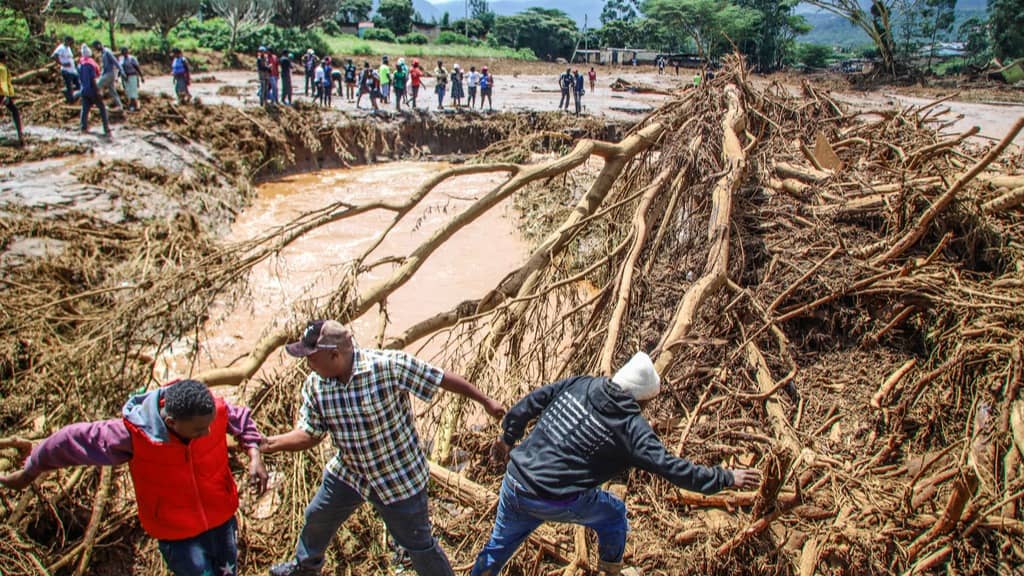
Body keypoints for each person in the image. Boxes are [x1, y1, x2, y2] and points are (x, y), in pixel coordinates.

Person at [470, 352, 762, 576]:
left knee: (497, 548)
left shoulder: (582, 384)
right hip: (553, 498)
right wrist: (725, 478)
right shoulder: (632, 428)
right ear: (642, 401)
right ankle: (610, 569)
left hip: (515, 483)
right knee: (613, 515)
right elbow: (673, 468)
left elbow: (533, 401)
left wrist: (507, 439)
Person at [264, 320, 505, 576]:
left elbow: (440, 378)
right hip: (351, 472)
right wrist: (270, 443)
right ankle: (305, 567)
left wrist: (486, 401)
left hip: (398, 478)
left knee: (419, 545)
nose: (308, 364)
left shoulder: (387, 366)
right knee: (317, 516)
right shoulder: (315, 385)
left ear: (334, 355)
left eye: (311, 357)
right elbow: (310, 434)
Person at [0, 379, 269, 576]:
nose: (209, 432)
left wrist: (254, 454)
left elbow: (239, 418)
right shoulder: (135, 437)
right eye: (199, 429)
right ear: (172, 422)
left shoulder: (210, 410)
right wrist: (29, 472)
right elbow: (68, 441)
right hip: (178, 534)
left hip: (221, 519)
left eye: (210, 424)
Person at [78, 44, 110, 136]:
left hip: (84, 90)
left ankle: (83, 127)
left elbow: (79, 77)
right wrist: (97, 90)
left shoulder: (81, 64)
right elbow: (93, 79)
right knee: (102, 108)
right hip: (92, 90)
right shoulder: (91, 64)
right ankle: (106, 128)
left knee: (85, 109)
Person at [0, 50, 24, 146]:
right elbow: (2, 83)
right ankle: (19, 134)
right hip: (2, 94)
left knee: (14, 110)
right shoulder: (2, 68)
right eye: (5, 58)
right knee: (15, 111)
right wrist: (5, 96)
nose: (6, 60)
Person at [93, 40, 124, 110]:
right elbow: (104, 66)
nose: (96, 49)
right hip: (107, 74)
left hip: (109, 74)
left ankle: (98, 104)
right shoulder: (103, 53)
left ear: (99, 45)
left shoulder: (107, 52)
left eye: (96, 47)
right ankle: (120, 106)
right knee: (112, 91)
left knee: (96, 87)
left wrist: (122, 71)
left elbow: (115, 61)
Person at [51, 35, 80, 103]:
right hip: (66, 71)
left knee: (79, 85)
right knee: (70, 87)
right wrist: (62, 64)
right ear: (67, 41)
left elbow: (69, 58)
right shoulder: (61, 48)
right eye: (71, 42)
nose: (72, 44)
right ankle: (71, 101)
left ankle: (66, 91)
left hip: (73, 71)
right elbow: (54, 56)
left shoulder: (68, 48)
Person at [119, 46, 143, 111]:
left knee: (133, 91)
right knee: (128, 91)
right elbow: (120, 69)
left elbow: (137, 67)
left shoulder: (132, 58)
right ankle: (131, 105)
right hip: (125, 77)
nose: (124, 53)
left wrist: (141, 76)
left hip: (132, 76)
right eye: (123, 51)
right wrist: (119, 77)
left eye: (125, 51)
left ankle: (135, 105)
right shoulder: (121, 59)